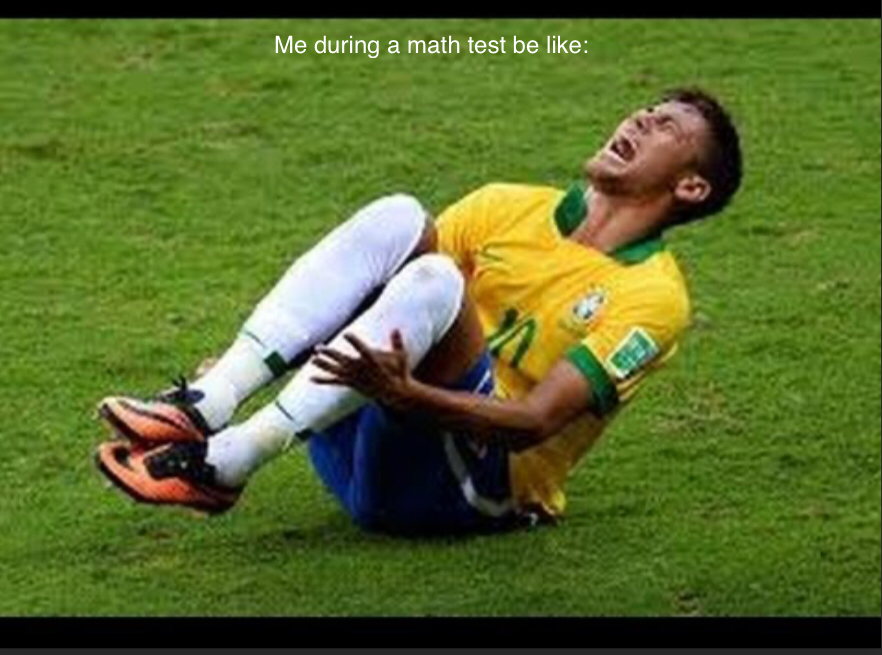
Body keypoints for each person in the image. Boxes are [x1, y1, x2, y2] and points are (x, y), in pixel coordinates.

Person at [95, 87, 742, 536]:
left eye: (666, 127)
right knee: (399, 218)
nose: (639, 120)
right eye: (645, 111)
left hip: (465, 492)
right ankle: (212, 400)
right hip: (364, 439)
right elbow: (383, 299)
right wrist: (286, 366)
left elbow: (534, 422)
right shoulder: (506, 205)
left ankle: (226, 462)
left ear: (690, 186)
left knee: (434, 278)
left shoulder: (652, 298)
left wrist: (407, 395)